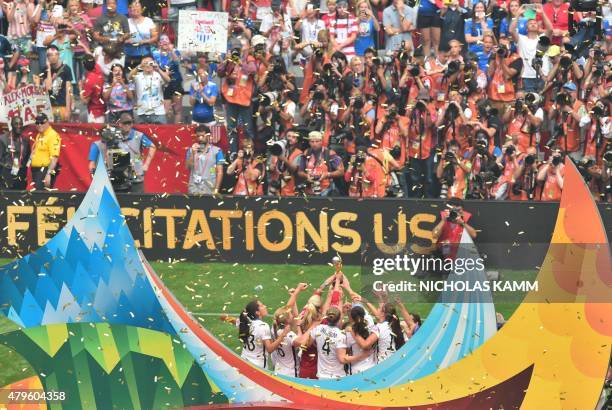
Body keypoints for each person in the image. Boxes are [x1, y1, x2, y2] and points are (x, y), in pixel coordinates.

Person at [89, 112, 157, 192]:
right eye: (125, 123)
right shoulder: (114, 136)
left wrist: (146, 164)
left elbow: (152, 147)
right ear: (120, 124)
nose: (128, 125)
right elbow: (106, 153)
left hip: (136, 176)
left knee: (138, 201)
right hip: (120, 179)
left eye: (130, 123)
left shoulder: (138, 135)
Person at [218, 38, 257, 155]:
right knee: (231, 127)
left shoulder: (249, 58)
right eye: (234, 48)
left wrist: (240, 63)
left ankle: (248, 152)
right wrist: (226, 61)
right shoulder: (229, 60)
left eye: (238, 48)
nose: (237, 51)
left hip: (244, 99)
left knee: (247, 128)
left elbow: (253, 70)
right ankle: (233, 152)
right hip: (231, 98)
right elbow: (220, 73)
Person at [510, 4, 554, 93]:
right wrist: (518, 14)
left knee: (541, 104)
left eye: (535, 23)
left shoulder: (543, 38)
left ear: (538, 27)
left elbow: (550, 29)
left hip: (542, 76)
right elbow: (511, 30)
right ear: (526, 28)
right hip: (526, 76)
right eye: (530, 23)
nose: (533, 24)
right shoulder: (521, 39)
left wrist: (542, 13)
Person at [238, 300, 289, 369]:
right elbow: (270, 349)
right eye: (262, 306)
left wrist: (225, 317)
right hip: (257, 367)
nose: (265, 306)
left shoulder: (246, 322)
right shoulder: (263, 326)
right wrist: (283, 334)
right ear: (257, 312)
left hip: (244, 361)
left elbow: (237, 322)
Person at [297, 131, 344, 196]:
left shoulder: (330, 153)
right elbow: (300, 172)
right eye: (312, 142)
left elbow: (341, 171)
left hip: (326, 190)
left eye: (317, 141)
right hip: (309, 190)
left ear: (321, 141)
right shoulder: (306, 153)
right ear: (309, 142)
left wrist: (327, 174)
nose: (314, 144)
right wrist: (306, 176)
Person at [35, 45, 73, 122]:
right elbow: (49, 87)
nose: (53, 57)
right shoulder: (45, 70)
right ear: (47, 57)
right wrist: (48, 69)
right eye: (50, 55)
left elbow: (69, 91)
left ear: (58, 55)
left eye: (55, 54)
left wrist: (68, 109)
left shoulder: (66, 69)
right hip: (49, 107)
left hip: (62, 106)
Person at [128, 56, 171, 124]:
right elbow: (129, 77)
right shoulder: (137, 76)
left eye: (150, 63)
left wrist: (158, 69)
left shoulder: (158, 75)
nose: (147, 65)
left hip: (158, 112)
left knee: (160, 133)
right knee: (141, 134)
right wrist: (138, 67)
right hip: (142, 112)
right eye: (145, 63)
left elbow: (168, 80)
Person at [152, 34, 184, 124]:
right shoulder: (155, 53)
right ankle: (166, 130)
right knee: (165, 110)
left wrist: (171, 50)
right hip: (163, 83)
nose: (164, 42)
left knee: (177, 109)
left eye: (167, 40)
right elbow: (154, 66)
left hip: (176, 82)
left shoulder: (175, 51)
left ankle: (177, 130)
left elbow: (177, 62)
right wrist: (164, 73)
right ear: (159, 43)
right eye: (162, 41)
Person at [185, 125, 224, 195]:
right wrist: (193, 154)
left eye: (202, 136)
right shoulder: (190, 150)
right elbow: (187, 167)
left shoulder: (217, 151)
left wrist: (216, 189)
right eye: (198, 136)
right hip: (194, 189)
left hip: (209, 189)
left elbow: (220, 172)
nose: (200, 138)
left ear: (208, 136)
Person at [29, 113, 61, 190]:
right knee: (37, 196)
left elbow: (54, 158)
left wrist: (48, 174)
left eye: (42, 122)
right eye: (37, 123)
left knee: (41, 197)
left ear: (47, 122)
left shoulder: (53, 135)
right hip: (37, 171)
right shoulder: (40, 134)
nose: (39, 125)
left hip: (46, 170)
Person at [124, 1, 158, 70]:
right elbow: (120, 38)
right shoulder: (126, 22)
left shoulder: (148, 21)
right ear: (130, 9)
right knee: (130, 77)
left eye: (137, 6)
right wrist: (127, 41)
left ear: (142, 9)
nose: (135, 8)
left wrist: (143, 41)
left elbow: (155, 37)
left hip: (145, 55)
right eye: (133, 7)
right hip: (129, 55)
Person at [0, 116, 31, 190]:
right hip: (6, 174)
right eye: (16, 124)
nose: (19, 126)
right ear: (11, 125)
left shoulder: (25, 141)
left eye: (20, 124)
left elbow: (27, 158)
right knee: (6, 199)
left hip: (20, 175)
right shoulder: (2, 139)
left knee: (19, 199)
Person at [79, 54, 106, 123]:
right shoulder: (98, 69)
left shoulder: (89, 81)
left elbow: (85, 101)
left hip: (95, 115)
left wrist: (80, 88)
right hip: (103, 109)